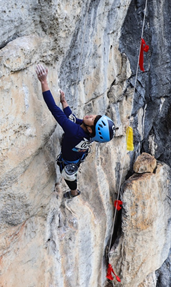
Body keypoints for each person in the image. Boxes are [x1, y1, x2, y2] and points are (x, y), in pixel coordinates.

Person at [35, 64, 115, 199]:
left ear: (90, 129)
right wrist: (64, 101)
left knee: (68, 175)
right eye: (96, 116)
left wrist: (44, 82)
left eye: (93, 119)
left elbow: (54, 109)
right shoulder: (89, 133)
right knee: (72, 173)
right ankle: (74, 192)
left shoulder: (74, 131)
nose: (91, 115)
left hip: (69, 161)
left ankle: (74, 192)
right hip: (77, 156)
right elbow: (72, 118)